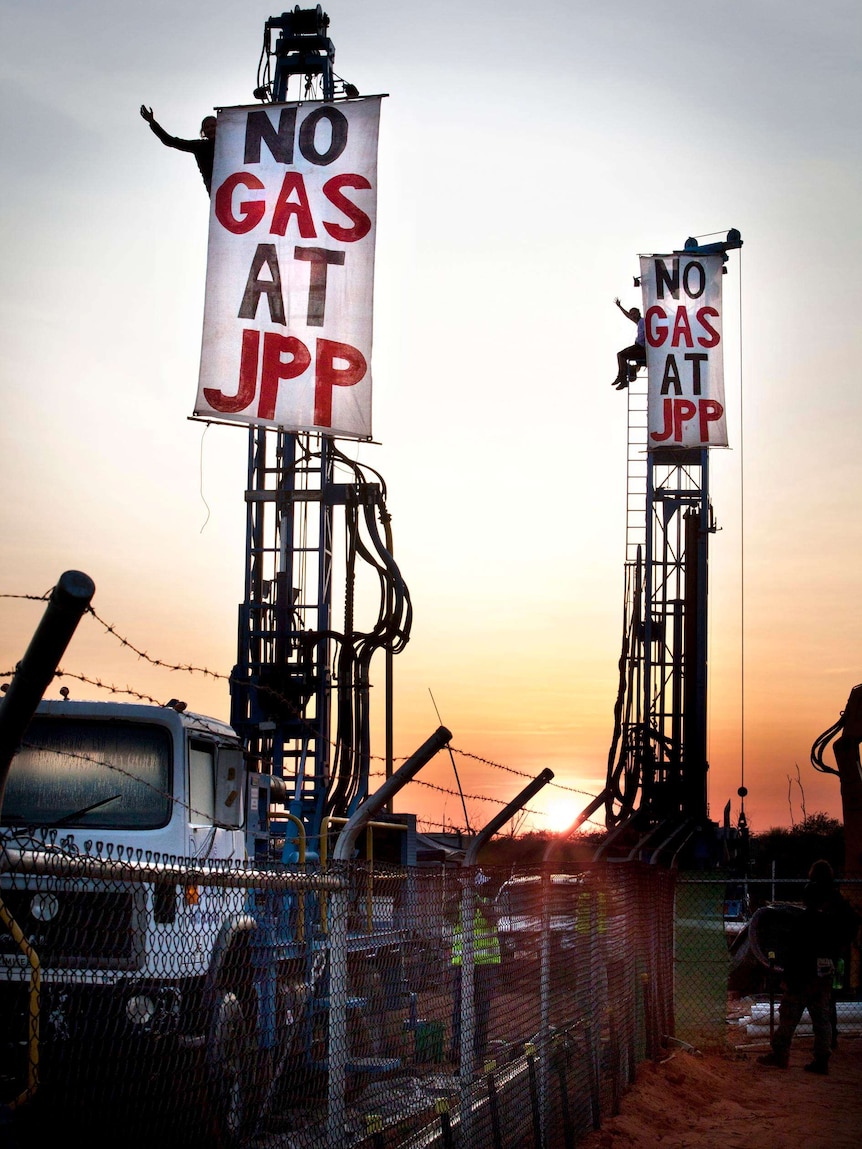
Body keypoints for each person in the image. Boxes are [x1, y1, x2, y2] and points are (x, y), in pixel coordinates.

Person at [758, 860, 859, 1074]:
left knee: (789, 1014)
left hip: (802, 973)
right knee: (821, 1016)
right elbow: (847, 929)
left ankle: (780, 1053)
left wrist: (787, 975)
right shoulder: (837, 908)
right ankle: (822, 1058)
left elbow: (796, 950)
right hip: (823, 969)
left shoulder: (806, 919)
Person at [448, 870, 501, 1070]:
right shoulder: (458, 902)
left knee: (481, 1007)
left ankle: (477, 1050)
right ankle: (457, 1047)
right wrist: (461, 894)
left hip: (486, 962)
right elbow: (448, 914)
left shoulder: (489, 901)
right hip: (462, 962)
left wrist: (476, 898)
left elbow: (492, 918)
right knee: (460, 1006)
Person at [140, 106, 216, 194]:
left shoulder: (229, 143)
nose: (210, 129)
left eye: (213, 126)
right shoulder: (199, 146)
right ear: (203, 132)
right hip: (214, 184)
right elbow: (170, 141)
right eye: (207, 127)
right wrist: (152, 122)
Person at [612, 297, 646, 390]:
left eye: (634, 313)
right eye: (632, 314)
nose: (632, 316)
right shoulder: (639, 322)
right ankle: (624, 375)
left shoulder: (644, 321)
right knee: (620, 355)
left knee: (621, 355)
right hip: (638, 346)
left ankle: (623, 379)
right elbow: (628, 316)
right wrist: (620, 307)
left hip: (642, 348)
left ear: (638, 313)